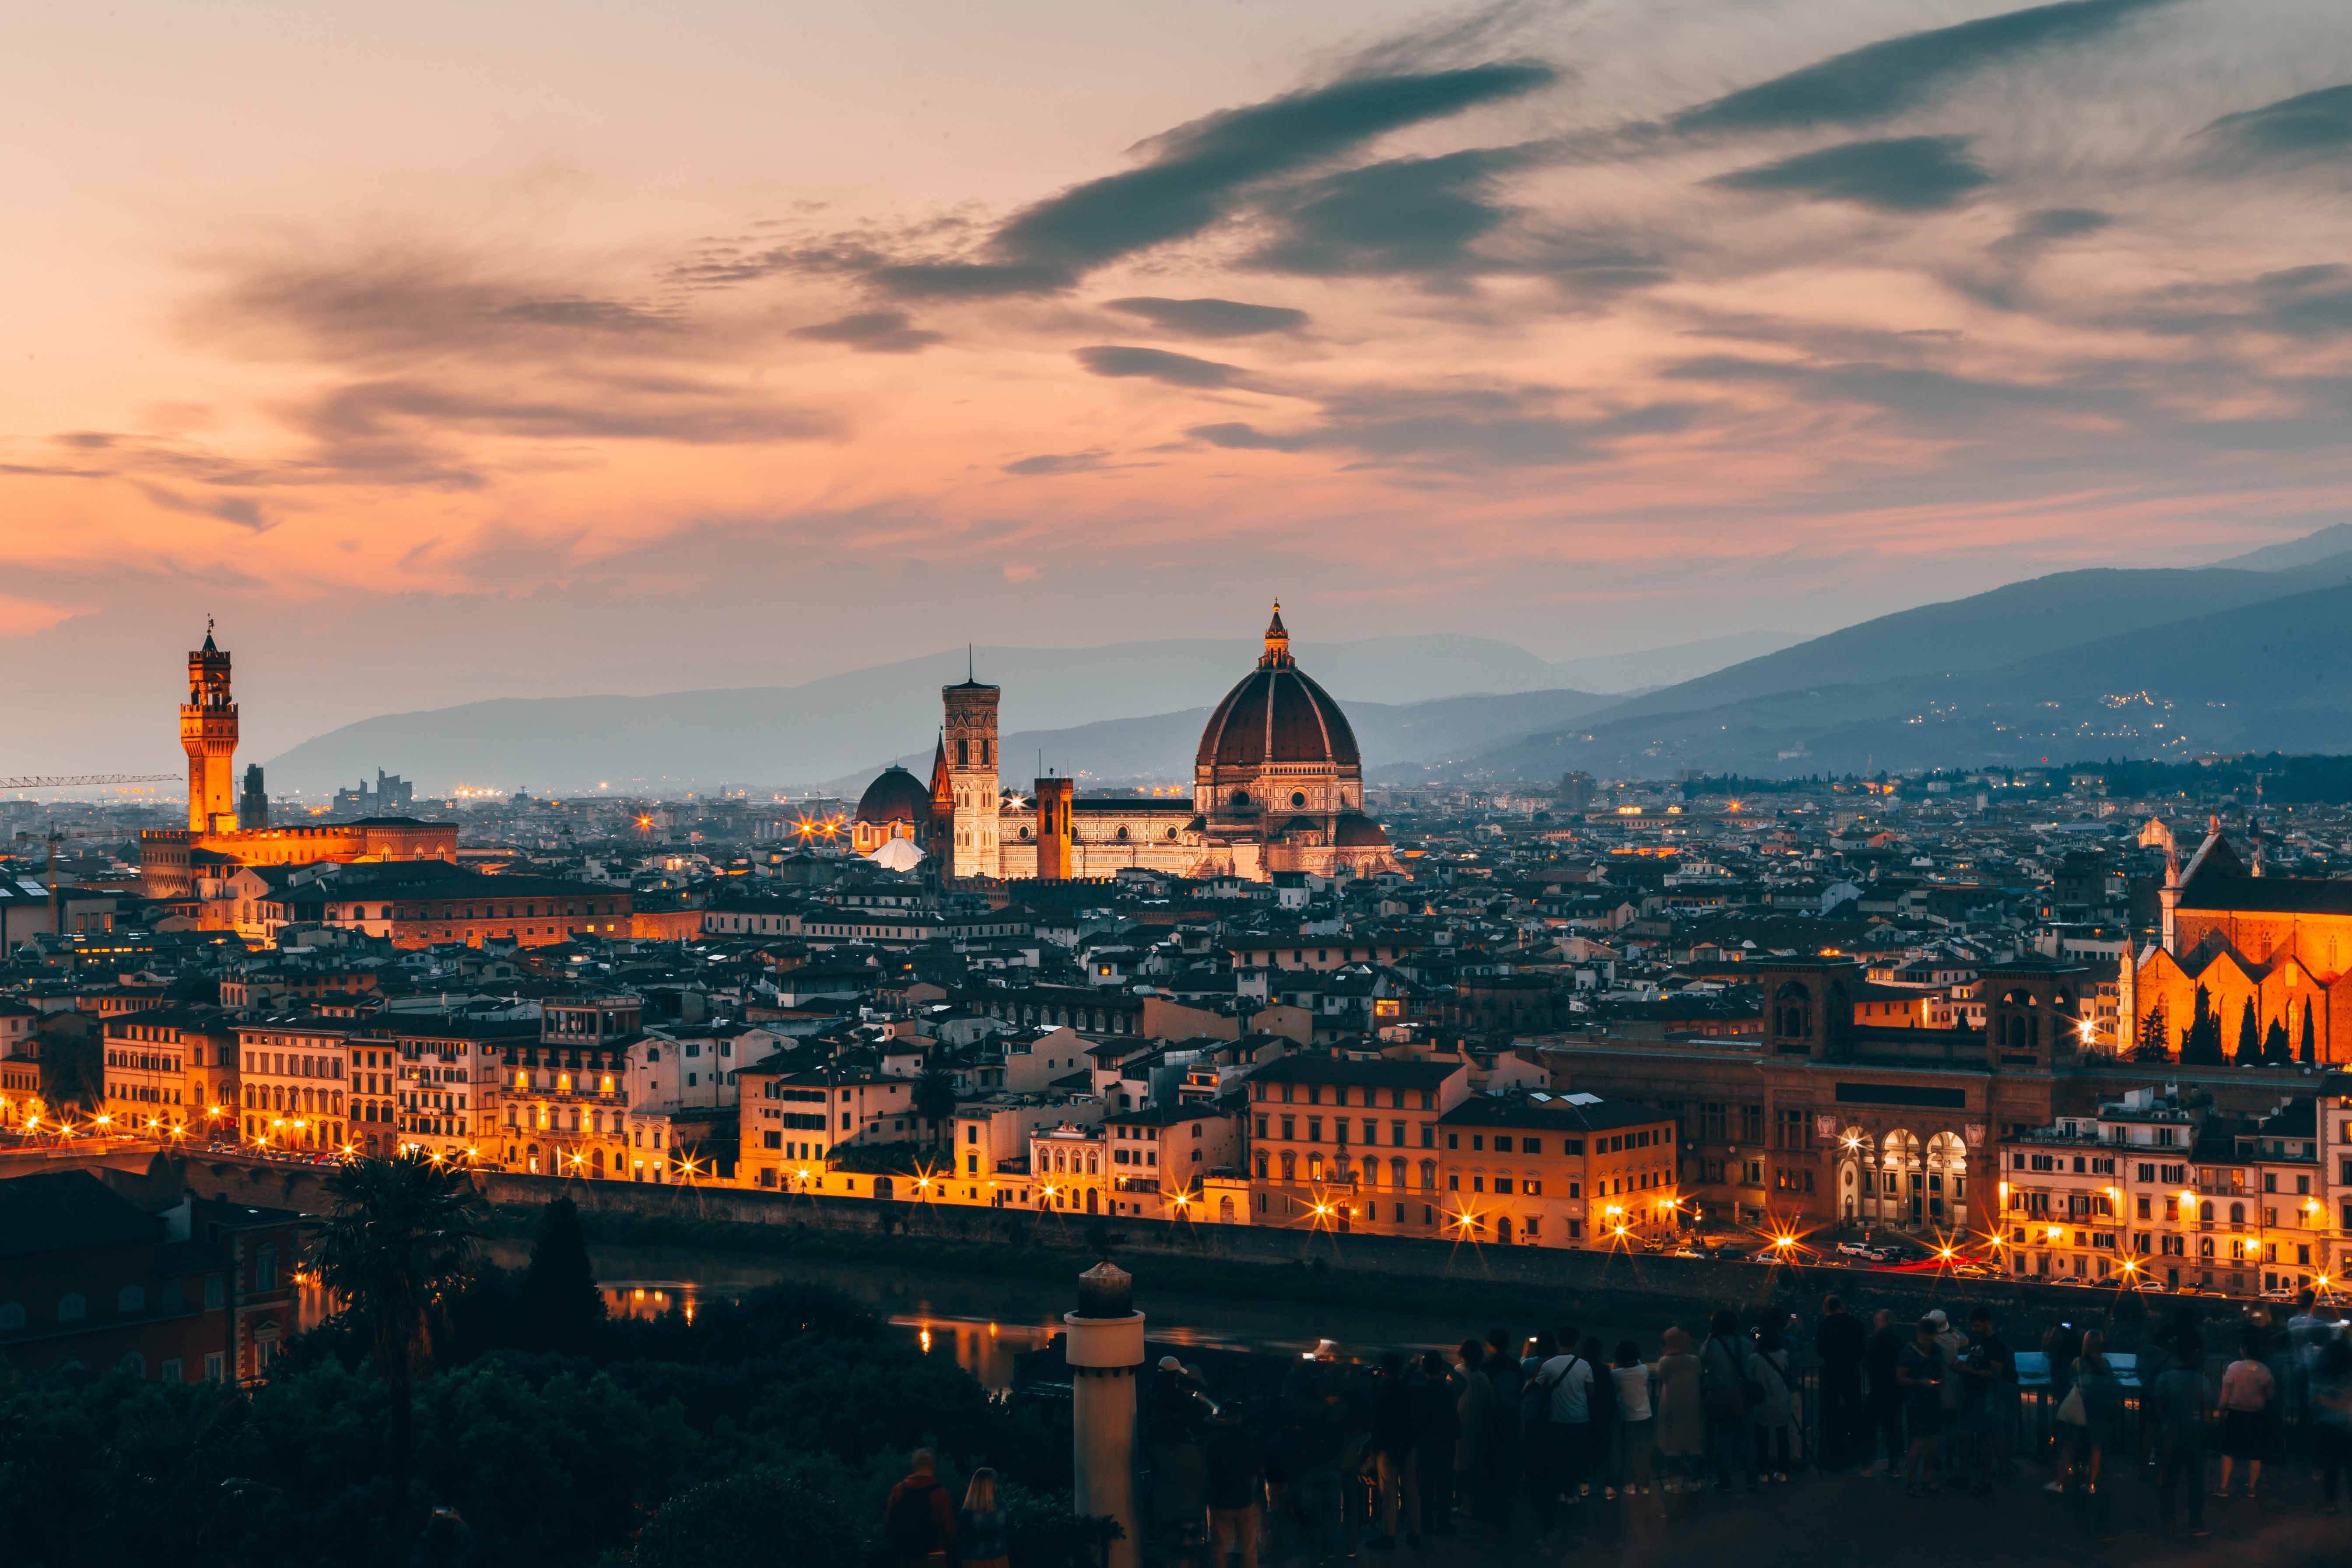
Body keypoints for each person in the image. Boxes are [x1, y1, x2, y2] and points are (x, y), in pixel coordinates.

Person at [1530, 1326, 1595, 1543]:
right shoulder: (1585, 1365)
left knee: (1558, 1458)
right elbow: (1591, 1393)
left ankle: (1558, 1493)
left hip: (1557, 1420)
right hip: (1580, 1420)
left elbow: (1536, 1388)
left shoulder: (1548, 1365)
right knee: (1576, 1458)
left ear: (1559, 1342)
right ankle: (1573, 1494)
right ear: (1576, 1343)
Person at [2151, 1329, 2212, 1537]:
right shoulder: (2202, 1381)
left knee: (2169, 1477)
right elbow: (2208, 1408)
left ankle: (2167, 1519)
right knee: (2196, 1480)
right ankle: (2195, 1521)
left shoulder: (2165, 1378)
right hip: (2195, 1434)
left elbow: (2159, 1405)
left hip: (2171, 1431)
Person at [1951, 1307, 2012, 1495]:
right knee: (1969, 1437)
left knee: (1982, 1439)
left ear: (1988, 1323)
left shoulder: (1996, 1346)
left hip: (1985, 1397)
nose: (1974, 1326)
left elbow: (1995, 1373)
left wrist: (1967, 1370)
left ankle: (1983, 1480)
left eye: (1978, 1322)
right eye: (1973, 1323)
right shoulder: (1979, 1342)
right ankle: (1970, 1477)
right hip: (1973, 1396)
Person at [2215, 1324, 2278, 1499]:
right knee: (2255, 1453)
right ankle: (2251, 1488)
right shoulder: (2265, 1371)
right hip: (2257, 1414)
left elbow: (2225, 1393)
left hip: (2235, 1413)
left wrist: (2221, 1409)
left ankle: (2224, 1487)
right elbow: (2271, 1395)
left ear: (2242, 1350)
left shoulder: (2234, 1368)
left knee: (2228, 1451)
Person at [1367, 1351, 1420, 1550]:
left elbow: (1378, 1423)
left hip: (1388, 1448)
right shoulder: (1406, 1388)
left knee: (1389, 1493)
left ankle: (1389, 1535)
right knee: (1412, 1491)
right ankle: (1416, 1532)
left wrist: (1375, 1450)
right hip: (1408, 1445)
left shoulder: (1381, 1390)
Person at [1205, 1399, 1266, 1568]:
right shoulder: (1249, 1439)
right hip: (1245, 1499)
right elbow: (1257, 1468)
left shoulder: (1213, 1441)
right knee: (1249, 1547)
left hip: (1220, 1500)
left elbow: (1209, 1469)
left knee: (1220, 1548)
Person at [1699, 1308, 1750, 1495]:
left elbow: (1702, 1359)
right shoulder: (1744, 1342)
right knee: (1746, 1437)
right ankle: (1751, 1478)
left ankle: (1724, 1480)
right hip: (1741, 1395)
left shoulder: (1712, 1344)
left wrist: (1709, 1337)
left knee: (1722, 1438)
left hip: (1719, 1395)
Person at [1815, 1295, 1866, 1472]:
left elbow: (1820, 1350)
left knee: (1829, 1411)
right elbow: (1862, 1350)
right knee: (1855, 1410)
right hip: (1851, 1371)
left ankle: (1831, 1454)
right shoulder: (1856, 1323)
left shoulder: (1825, 1325)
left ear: (1827, 1307)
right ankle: (1857, 1454)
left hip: (1831, 1372)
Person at [1652, 1326, 1704, 1495]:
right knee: (1694, 1445)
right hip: (1693, 1406)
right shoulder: (1694, 1360)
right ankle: (1693, 1481)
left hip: (1671, 1406)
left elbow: (1661, 1376)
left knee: (1671, 1445)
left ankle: (1674, 1483)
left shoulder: (1665, 1361)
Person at [1448, 1341, 1493, 1535]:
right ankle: (1473, 1505)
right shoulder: (1483, 1377)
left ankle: (1464, 1505)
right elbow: (1492, 1402)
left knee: (1459, 1467)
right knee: (1474, 1466)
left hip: (1458, 1426)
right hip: (1478, 1427)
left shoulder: (1457, 1372)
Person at [885, 1449, 959, 1568]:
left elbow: (889, 1523)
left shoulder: (899, 1490)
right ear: (933, 1466)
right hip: (935, 1557)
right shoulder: (940, 1493)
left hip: (907, 1557)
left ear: (914, 1466)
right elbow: (949, 1528)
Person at [1896, 1318, 1944, 1497]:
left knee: (1931, 1443)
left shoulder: (1913, 1351)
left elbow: (1901, 1377)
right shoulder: (1913, 1352)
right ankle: (1914, 1481)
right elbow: (1900, 1378)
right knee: (1920, 1443)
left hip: (1928, 1400)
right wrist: (1921, 1383)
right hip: (1918, 1401)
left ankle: (1923, 1480)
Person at [1746, 1320, 1795, 1486]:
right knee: (1783, 1438)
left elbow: (1750, 1377)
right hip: (1782, 1400)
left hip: (1763, 1403)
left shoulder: (1754, 1358)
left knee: (1762, 1439)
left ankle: (1763, 1472)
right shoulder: (1783, 1354)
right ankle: (1783, 1472)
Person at [1611, 1340, 1658, 1498]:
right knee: (1644, 1451)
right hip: (1645, 1416)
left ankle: (1630, 1485)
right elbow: (1639, 1364)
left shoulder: (1616, 1374)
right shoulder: (1643, 1370)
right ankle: (1645, 1485)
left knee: (1628, 1452)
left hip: (1626, 1417)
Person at [1863, 1308, 1905, 1480]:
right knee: (1892, 1428)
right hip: (1895, 1389)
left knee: (1870, 1427)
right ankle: (1894, 1465)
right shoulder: (1899, 1340)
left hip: (1878, 1387)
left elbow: (1867, 1362)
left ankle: (1868, 1465)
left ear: (1883, 1321)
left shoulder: (1876, 1339)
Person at [2312, 1335, 2352, 1514]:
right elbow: (2345, 1403)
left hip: (2325, 1425)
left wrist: (2325, 1400)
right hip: (2348, 1424)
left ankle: (2331, 1502)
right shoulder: (2349, 1375)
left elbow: (2314, 1399)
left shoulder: (2319, 1374)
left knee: (2331, 1466)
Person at [955, 1469, 1010, 1568]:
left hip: (973, 1562)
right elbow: (1007, 1532)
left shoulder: (966, 1513)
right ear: (993, 1486)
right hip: (999, 1560)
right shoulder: (1003, 1508)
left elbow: (959, 1540)